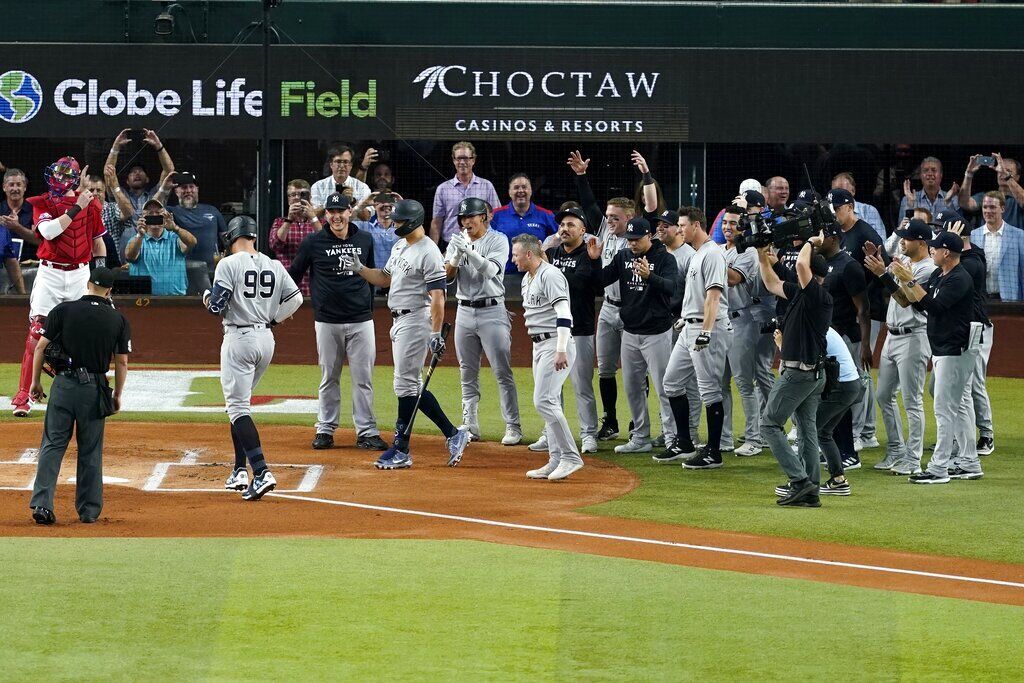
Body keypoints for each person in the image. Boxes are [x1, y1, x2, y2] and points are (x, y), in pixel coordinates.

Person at [341, 199, 471, 469]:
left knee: (405, 386)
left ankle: (402, 448)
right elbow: (385, 278)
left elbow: (438, 297)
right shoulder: (401, 246)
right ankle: (452, 434)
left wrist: (436, 332)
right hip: (399, 320)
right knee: (409, 386)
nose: (395, 224)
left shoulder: (429, 252)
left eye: (399, 221)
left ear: (412, 222)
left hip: (415, 320)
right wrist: (360, 269)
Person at [204, 216, 304, 500]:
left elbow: (217, 307)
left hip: (239, 339)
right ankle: (239, 470)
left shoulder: (228, 264)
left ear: (232, 237)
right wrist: (273, 319)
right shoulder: (274, 264)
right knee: (240, 406)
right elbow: (296, 299)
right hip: (266, 341)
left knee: (237, 408)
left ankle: (260, 471)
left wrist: (207, 297)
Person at [28, 267, 130, 525]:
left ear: (87, 284)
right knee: (90, 451)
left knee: (52, 445)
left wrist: (35, 382)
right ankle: (88, 511)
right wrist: (116, 395)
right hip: (93, 390)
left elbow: (40, 347)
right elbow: (121, 364)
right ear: (109, 291)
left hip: (62, 386)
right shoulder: (118, 320)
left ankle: (41, 504)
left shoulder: (63, 310)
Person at [288, 193, 386, 451]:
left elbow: (373, 275)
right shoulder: (313, 242)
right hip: (327, 320)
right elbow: (294, 275)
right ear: (326, 215)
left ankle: (366, 431)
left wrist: (366, 307)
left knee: (363, 378)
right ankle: (325, 429)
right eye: (331, 211)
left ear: (350, 211)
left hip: (361, 320)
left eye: (340, 210)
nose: (336, 216)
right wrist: (284, 305)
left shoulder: (365, 239)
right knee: (328, 376)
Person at [14, 158, 106, 417]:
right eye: (56, 173)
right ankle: (24, 395)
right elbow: (49, 231)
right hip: (50, 273)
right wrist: (78, 206)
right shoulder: (42, 202)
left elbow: (98, 243)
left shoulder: (92, 204)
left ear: (75, 178)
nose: (58, 179)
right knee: (36, 332)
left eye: (64, 174)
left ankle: (85, 390)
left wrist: (100, 275)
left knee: (82, 334)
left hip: (80, 274)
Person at [889, 231, 983, 483]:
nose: (931, 250)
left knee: (944, 409)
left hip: (955, 349)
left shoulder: (959, 278)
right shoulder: (937, 274)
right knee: (959, 406)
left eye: (935, 247)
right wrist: (897, 279)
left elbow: (936, 307)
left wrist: (910, 281)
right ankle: (970, 461)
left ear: (947, 253)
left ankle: (939, 468)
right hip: (944, 348)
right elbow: (919, 304)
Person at [756, 236, 833, 508]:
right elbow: (771, 283)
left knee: (769, 424)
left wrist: (812, 241)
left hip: (799, 374)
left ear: (814, 274)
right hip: (812, 374)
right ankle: (810, 490)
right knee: (806, 429)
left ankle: (800, 481)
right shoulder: (802, 293)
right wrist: (761, 254)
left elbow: (801, 264)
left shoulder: (817, 295)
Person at [595, 217, 678, 454]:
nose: (631, 244)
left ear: (648, 236)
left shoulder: (664, 259)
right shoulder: (623, 257)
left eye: (636, 239)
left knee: (664, 388)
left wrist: (650, 277)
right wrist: (592, 261)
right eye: (629, 240)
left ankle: (672, 438)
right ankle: (641, 437)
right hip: (630, 332)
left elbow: (673, 287)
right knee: (632, 387)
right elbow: (602, 279)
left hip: (657, 333)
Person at [656, 206, 731, 468]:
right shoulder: (698, 255)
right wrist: (686, 318)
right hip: (689, 326)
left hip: (707, 329)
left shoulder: (712, 255)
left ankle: (713, 451)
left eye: (683, 225)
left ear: (696, 225)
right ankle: (684, 442)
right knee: (672, 383)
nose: (679, 229)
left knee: (709, 391)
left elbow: (713, 296)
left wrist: (706, 332)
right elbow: (697, 295)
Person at [444, 198, 522, 445]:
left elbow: (492, 271)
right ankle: (470, 424)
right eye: (463, 218)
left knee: (502, 371)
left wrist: (469, 252)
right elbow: (446, 278)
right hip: (464, 311)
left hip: (492, 310)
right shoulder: (457, 240)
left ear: (484, 217)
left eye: (472, 217)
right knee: (467, 371)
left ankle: (513, 425)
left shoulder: (497, 239)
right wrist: (455, 258)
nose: (467, 222)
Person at [567, 150, 632, 442]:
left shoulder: (639, 238)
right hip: (607, 308)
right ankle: (611, 421)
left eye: (616, 218)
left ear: (629, 218)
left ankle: (637, 424)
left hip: (633, 310)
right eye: (608, 217)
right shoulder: (603, 229)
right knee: (605, 368)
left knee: (635, 370)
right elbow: (590, 204)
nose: (610, 221)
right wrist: (581, 176)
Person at [864, 219, 935, 475]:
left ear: (921, 242)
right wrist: (878, 260)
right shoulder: (905, 261)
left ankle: (913, 459)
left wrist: (884, 274)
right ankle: (895, 449)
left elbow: (906, 301)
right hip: (891, 336)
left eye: (907, 238)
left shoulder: (928, 269)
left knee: (912, 401)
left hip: (914, 337)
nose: (902, 241)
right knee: (883, 395)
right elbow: (890, 273)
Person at [512, 234, 583, 481]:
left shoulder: (549, 275)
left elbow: (564, 312)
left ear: (529, 254)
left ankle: (571, 457)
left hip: (555, 342)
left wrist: (561, 348)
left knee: (544, 401)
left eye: (516, 254)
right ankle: (555, 460)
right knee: (548, 401)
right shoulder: (528, 278)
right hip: (539, 346)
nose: (514, 259)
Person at [544, 207, 600, 454]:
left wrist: (551, 271)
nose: (564, 229)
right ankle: (551, 435)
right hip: (553, 331)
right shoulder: (552, 252)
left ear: (583, 230)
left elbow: (579, 285)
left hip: (580, 329)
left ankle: (589, 435)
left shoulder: (588, 254)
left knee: (582, 386)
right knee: (551, 388)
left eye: (570, 224)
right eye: (562, 225)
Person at [719, 204, 764, 457]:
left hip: (742, 321)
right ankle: (724, 438)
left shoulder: (748, 252)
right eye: (725, 222)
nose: (728, 227)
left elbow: (734, 278)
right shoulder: (719, 250)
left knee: (744, 383)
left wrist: (708, 259)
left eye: (734, 223)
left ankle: (754, 439)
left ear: (744, 227)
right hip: (721, 321)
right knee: (719, 383)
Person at [653, 209, 701, 445]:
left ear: (678, 229)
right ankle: (672, 430)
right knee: (667, 381)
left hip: (681, 323)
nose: (660, 228)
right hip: (660, 324)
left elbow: (695, 293)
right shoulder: (659, 251)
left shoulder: (690, 255)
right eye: (658, 224)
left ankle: (690, 434)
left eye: (666, 225)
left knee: (688, 383)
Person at [809, 326, 862, 497]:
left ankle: (801, 482)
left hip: (842, 386)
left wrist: (781, 346)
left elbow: (808, 363)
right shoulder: (824, 327)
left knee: (808, 430)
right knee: (823, 432)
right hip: (849, 385)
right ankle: (838, 480)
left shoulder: (815, 330)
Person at [430, 141, 500, 245]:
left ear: (473, 160)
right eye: (459, 158)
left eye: (466, 158)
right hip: (450, 245)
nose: (462, 162)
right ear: (454, 160)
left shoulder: (486, 186)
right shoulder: (443, 188)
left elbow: (497, 215)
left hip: (481, 244)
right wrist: (434, 250)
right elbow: (436, 222)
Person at [124, 198, 197, 295]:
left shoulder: (175, 238)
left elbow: (192, 242)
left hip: (175, 300)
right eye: (150, 213)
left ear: (166, 216)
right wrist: (140, 235)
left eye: (158, 213)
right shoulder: (137, 240)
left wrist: (175, 228)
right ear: (142, 218)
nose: (154, 215)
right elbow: (129, 256)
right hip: (143, 302)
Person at [162, 172, 228, 276]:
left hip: (212, 273)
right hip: (181, 273)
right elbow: (151, 211)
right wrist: (163, 189)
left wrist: (230, 259)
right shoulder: (171, 212)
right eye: (184, 187)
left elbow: (227, 240)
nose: (188, 191)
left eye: (191, 187)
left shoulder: (212, 210)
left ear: (197, 189)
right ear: (176, 191)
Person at [103, 128, 176, 219]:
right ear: (127, 181)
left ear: (147, 179)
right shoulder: (119, 193)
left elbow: (169, 171)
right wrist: (115, 148)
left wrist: (159, 146)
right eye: (132, 172)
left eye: (140, 171)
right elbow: (108, 172)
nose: (137, 173)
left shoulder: (156, 193)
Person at [491, 173, 558, 271]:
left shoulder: (546, 215)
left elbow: (560, 238)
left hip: (537, 275)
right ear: (509, 192)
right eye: (516, 187)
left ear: (531, 190)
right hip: (504, 275)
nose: (521, 190)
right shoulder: (495, 215)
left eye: (524, 187)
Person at [269, 180, 322, 296]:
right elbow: (275, 245)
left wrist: (313, 217)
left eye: (302, 194)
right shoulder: (279, 222)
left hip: (315, 287)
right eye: (293, 195)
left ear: (310, 198)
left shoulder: (320, 222)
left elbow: (328, 244)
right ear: (288, 199)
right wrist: (289, 220)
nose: (297, 198)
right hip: (287, 287)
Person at [969, 191, 1024, 301]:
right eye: (985, 207)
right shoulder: (973, 235)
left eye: (992, 207)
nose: (988, 211)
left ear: (1003, 209)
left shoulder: (1019, 235)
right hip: (980, 299)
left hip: (1010, 299)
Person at [958, 153, 1023, 231]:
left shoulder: (1019, 199)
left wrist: (1006, 176)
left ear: (1017, 177)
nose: (1002, 173)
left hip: (1014, 241)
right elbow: (964, 203)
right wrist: (969, 174)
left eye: (1008, 171)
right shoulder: (986, 197)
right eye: (1000, 170)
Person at [897, 156, 959, 220]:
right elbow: (902, 228)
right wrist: (910, 205)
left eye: (934, 170)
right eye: (926, 170)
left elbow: (959, 225)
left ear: (941, 175)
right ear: (920, 175)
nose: (929, 173)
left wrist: (948, 203)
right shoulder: (907, 200)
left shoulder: (952, 199)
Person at [831, 171, 886, 241]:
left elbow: (881, 241)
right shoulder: (829, 214)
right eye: (835, 192)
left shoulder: (869, 211)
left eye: (842, 191)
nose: (838, 196)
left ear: (853, 191)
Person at [1, 168, 39, 260]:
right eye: (11, 185)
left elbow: (40, 241)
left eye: (18, 185)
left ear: (24, 187)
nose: (15, 188)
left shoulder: (35, 211)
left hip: (29, 268)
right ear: (4, 187)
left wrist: (17, 227)